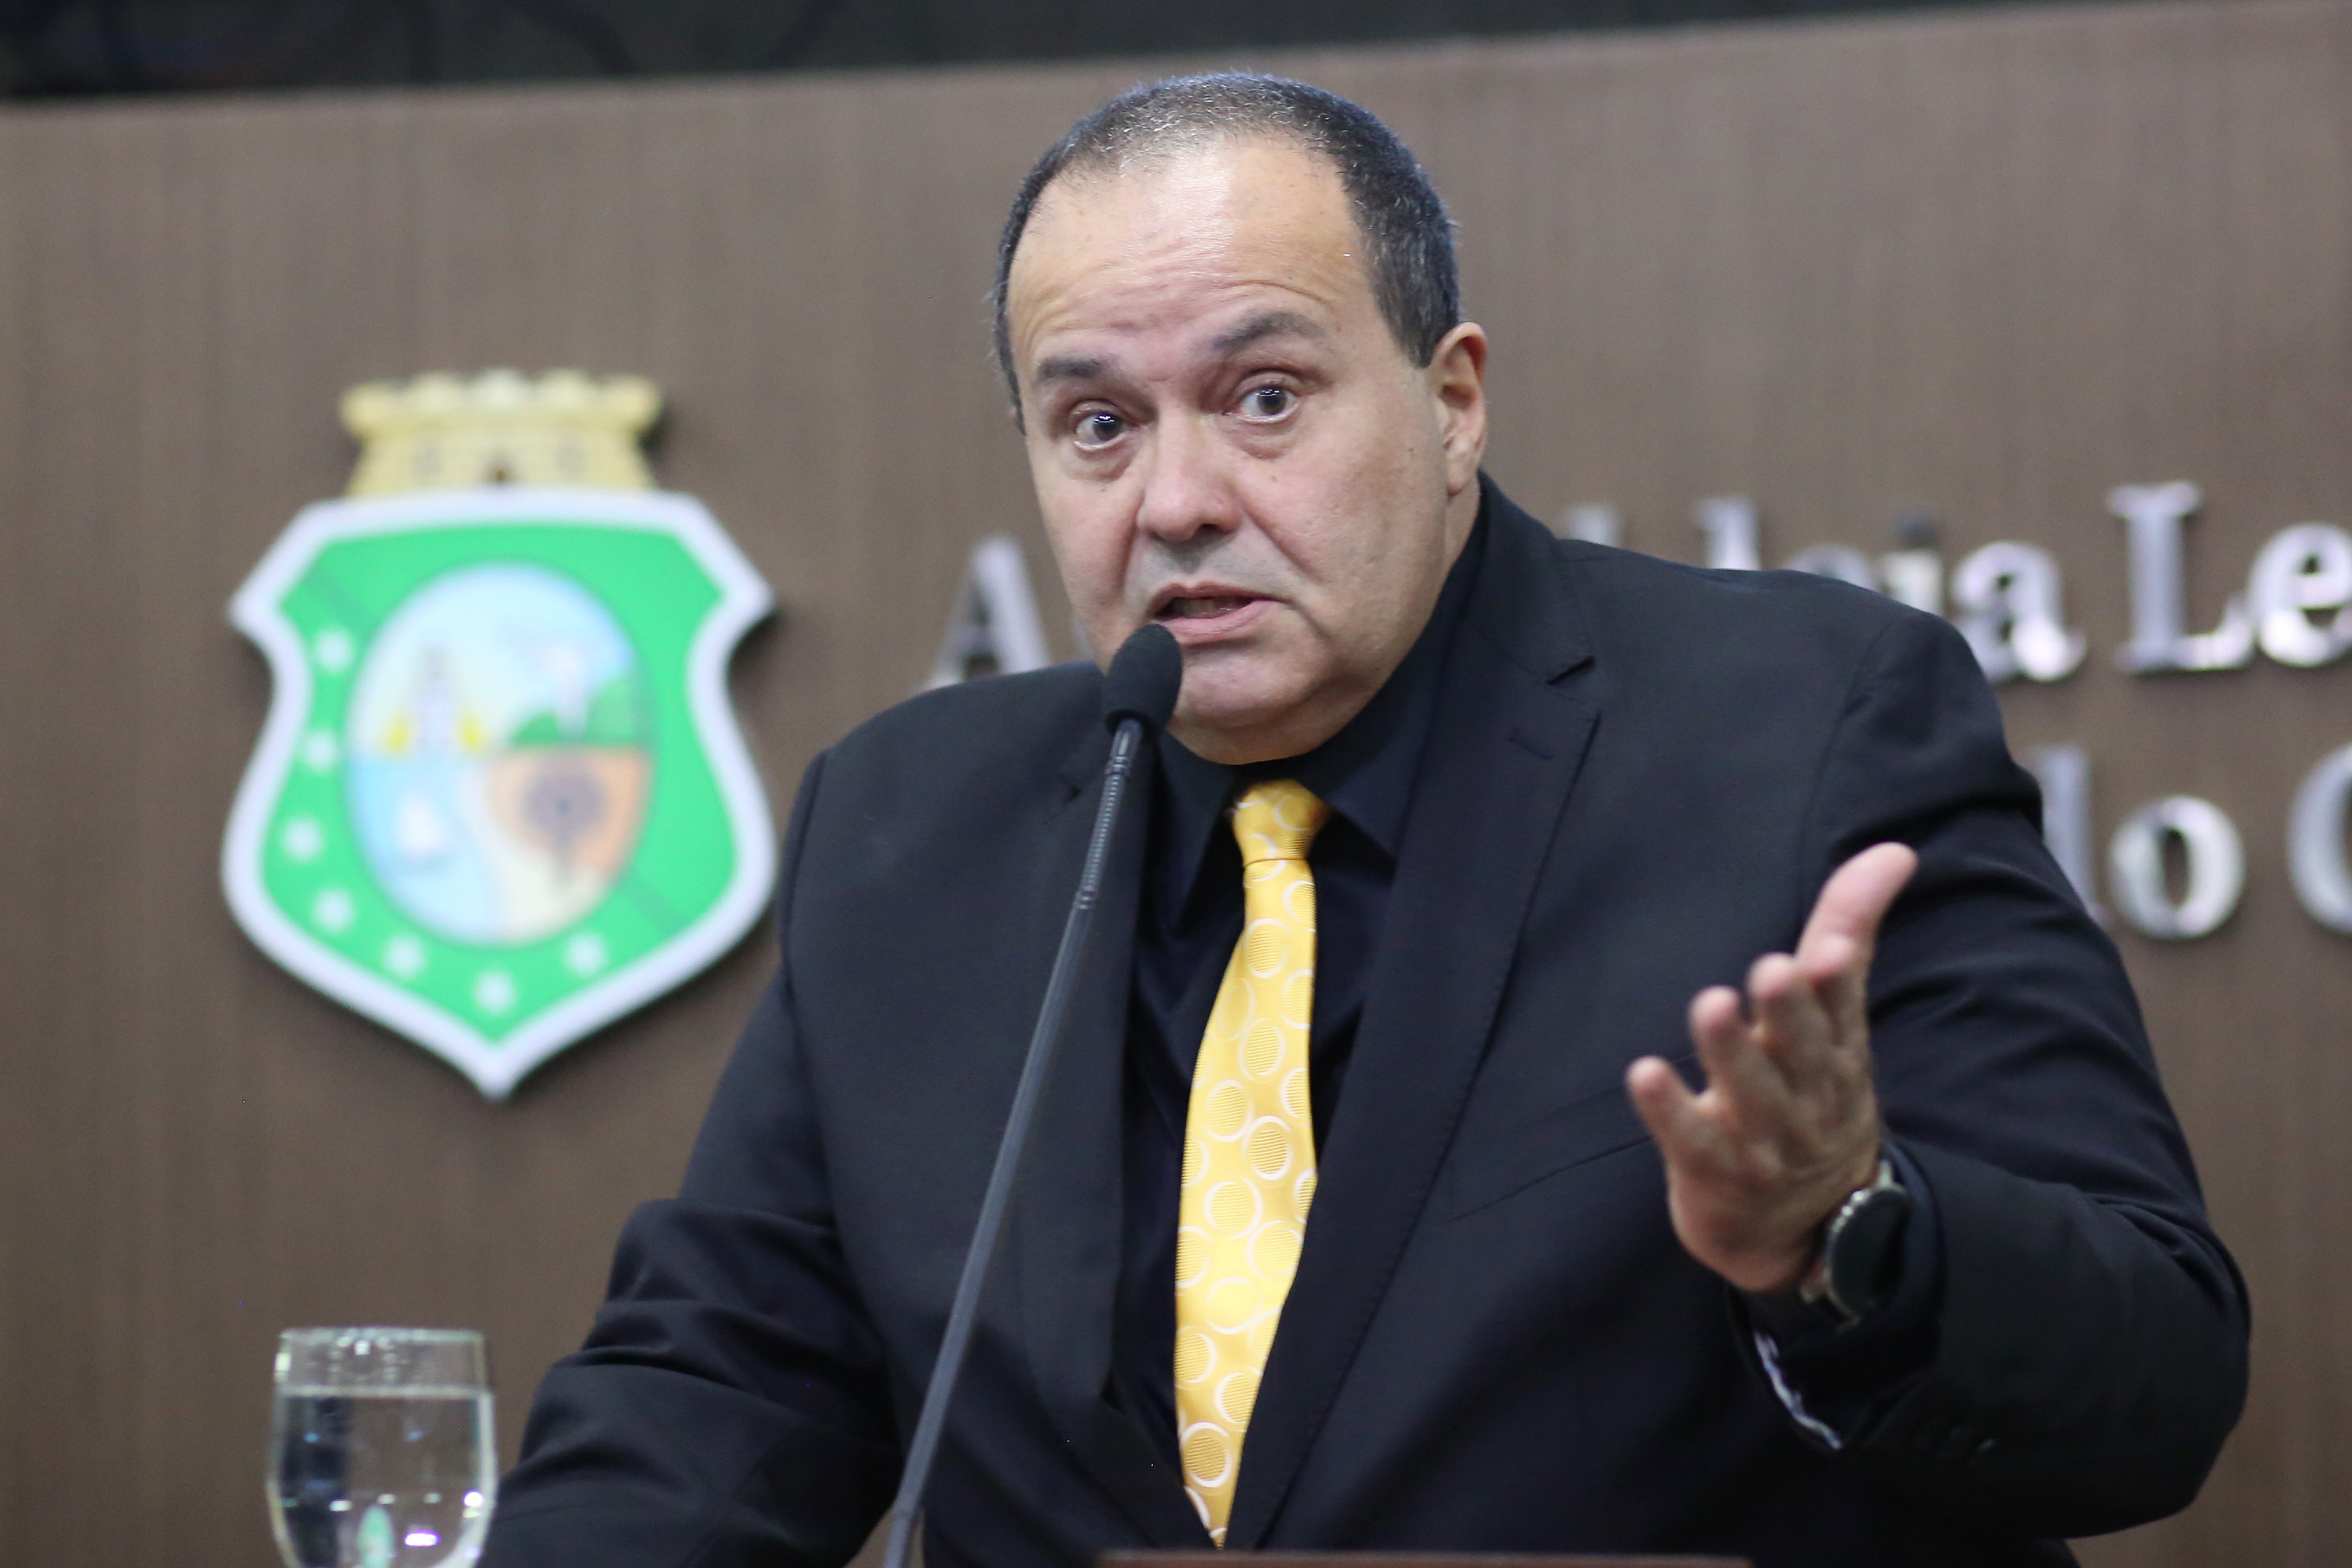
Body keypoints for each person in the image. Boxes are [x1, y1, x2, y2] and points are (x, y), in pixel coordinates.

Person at [480, 74, 2246, 1568]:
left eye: (1265, 398)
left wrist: (1849, 1235)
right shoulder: (908, 827)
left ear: (1452, 401)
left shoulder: (1799, 728)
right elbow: (719, 1391)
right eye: (1096, 424)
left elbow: (2158, 1373)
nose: (1176, 500)